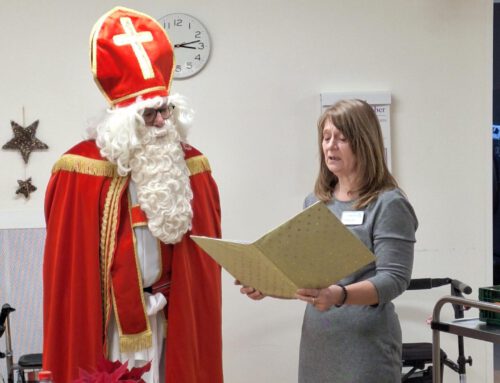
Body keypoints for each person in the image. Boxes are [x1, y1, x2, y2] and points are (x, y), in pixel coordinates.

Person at [42, 7, 223, 383]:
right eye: (150, 114)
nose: (161, 122)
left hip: (170, 312)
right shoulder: (79, 169)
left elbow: (204, 259)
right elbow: (69, 267)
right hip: (107, 321)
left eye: (165, 110)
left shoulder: (190, 166)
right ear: (123, 121)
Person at [241, 99, 418, 382]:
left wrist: (339, 295)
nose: (330, 146)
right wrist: (266, 282)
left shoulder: (388, 203)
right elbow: (305, 276)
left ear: (364, 142)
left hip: (365, 344)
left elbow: (394, 279)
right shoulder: (316, 203)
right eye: (326, 137)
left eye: (341, 138)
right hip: (319, 340)